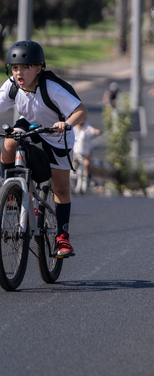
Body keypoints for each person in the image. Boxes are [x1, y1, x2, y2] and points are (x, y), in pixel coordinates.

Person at [0, 40, 88, 258]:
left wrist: (66, 123)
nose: (19, 72)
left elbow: (80, 110)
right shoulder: (12, 86)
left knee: (60, 188)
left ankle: (62, 238)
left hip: (56, 135)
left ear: (38, 69)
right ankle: (8, 192)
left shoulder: (51, 88)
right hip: (29, 125)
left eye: (25, 67)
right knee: (9, 141)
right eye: (15, 67)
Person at [73, 121, 101, 190]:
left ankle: (89, 176)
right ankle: (73, 175)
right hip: (76, 150)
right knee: (73, 163)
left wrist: (96, 131)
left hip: (86, 150)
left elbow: (94, 130)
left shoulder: (87, 126)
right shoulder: (73, 128)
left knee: (86, 163)